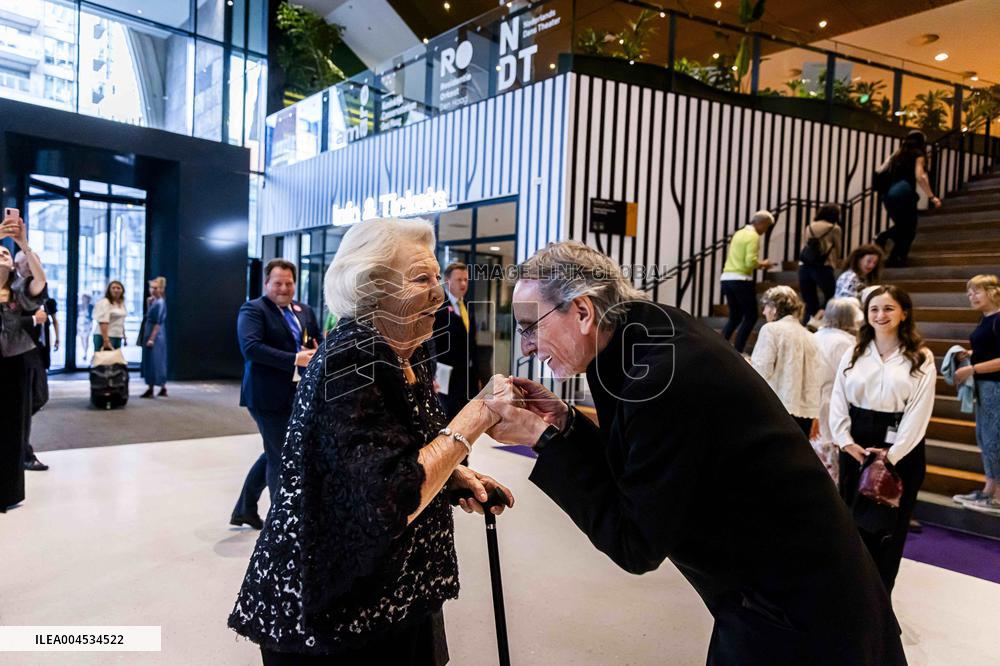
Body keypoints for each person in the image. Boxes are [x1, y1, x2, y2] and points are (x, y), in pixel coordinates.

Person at [487, 240, 904, 665]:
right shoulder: (640, 336)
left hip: (802, 613)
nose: (526, 347)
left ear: (582, 311)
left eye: (530, 326)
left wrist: (542, 438)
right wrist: (565, 424)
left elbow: (635, 542)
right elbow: (633, 467)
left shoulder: (660, 376)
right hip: (779, 594)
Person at [228, 218, 514, 664]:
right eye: (421, 279)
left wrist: (451, 477)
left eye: (437, 278)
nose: (438, 294)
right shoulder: (351, 358)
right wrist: (477, 416)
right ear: (372, 288)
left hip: (397, 594)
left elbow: (391, 455)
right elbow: (390, 500)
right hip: (336, 606)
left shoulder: (411, 351)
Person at [830, 285, 935, 593]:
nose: (880, 315)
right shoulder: (854, 351)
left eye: (889, 308)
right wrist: (844, 440)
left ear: (904, 313)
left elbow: (919, 410)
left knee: (890, 529)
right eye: (874, 309)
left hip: (901, 446)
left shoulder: (920, 357)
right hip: (856, 445)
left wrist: (893, 454)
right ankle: (851, 595)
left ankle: (880, 599)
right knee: (851, 523)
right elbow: (838, 397)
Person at [231, 259, 320, 530]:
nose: (283, 288)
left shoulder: (304, 310)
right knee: (281, 455)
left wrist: (318, 350)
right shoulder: (253, 310)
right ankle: (280, 524)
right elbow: (251, 348)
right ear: (266, 283)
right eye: (278, 283)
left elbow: (315, 340)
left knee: (276, 450)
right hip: (265, 396)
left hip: (296, 394)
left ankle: (245, 509)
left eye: (288, 283)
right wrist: (295, 358)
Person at [0, 211, 48, 511]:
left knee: (13, 427)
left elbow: (39, 280)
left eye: (6, 253)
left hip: (15, 362)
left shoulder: (19, 289)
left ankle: (6, 491)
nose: (3, 255)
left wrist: (23, 244)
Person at [952, 275, 1000, 515]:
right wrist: (970, 354)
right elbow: (990, 348)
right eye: (969, 293)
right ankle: (989, 489)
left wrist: (973, 369)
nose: (971, 296)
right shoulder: (986, 318)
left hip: (996, 386)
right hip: (985, 385)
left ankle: (998, 496)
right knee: (985, 438)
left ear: (992, 292)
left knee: (995, 439)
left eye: (976, 291)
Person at [750, 286, 821, 435]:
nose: (764, 312)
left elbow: (761, 371)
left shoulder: (771, 330)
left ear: (775, 308)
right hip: (805, 413)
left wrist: (748, 364)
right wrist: (816, 414)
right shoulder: (810, 336)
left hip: (775, 409)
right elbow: (816, 378)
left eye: (766, 306)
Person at [874, 130, 942, 267]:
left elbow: (880, 171)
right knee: (909, 229)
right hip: (904, 194)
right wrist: (932, 196)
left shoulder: (896, 155)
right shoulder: (918, 155)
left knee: (903, 227)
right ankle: (892, 249)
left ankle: (892, 255)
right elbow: (920, 177)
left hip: (888, 195)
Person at [813, 298, 863, 481]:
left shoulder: (815, 336)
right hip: (834, 402)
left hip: (813, 402)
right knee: (832, 459)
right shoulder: (846, 343)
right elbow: (851, 379)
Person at [14, 251, 52, 472]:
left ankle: (16, 434)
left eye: (34, 261)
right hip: (21, 351)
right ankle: (25, 454)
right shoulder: (17, 287)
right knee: (27, 402)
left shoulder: (36, 287)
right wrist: (32, 319)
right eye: (26, 262)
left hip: (35, 351)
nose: (31, 265)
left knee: (39, 397)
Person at [433, 261, 485, 418]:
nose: (463, 284)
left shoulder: (467, 305)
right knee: (449, 415)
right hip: (445, 375)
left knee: (469, 416)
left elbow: (472, 342)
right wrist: (432, 373)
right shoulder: (438, 307)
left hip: (467, 375)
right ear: (447, 281)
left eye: (466, 279)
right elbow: (432, 342)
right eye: (459, 280)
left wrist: (477, 375)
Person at [720, 210, 776, 353]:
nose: (765, 231)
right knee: (751, 316)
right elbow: (750, 262)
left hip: (727, 278)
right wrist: (763, 264)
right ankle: (738, 349)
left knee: (735, 316)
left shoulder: (738, 233)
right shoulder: (753, 236)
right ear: (762, 223)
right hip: (741, 279)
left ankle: (721, 347)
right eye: (766, 227)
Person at [797, 203, 843, 323]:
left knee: (809, 302)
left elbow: (804, 245)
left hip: (804, 266)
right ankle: (822, 320)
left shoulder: (809, 227)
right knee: (832, 295)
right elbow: (838, 248)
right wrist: (835, 262)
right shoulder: (834, 228)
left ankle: (809, 325)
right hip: (823, 266)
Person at [140, 277, 168, 398]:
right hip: (150, 331)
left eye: (155, 288)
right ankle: (158, 387)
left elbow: (158, 322)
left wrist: (152, 338)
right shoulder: (154, 301)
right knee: (152, 360)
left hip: (155, 334)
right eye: (151, 287)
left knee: (155, 360)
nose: (152, 290)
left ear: (161, 289)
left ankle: (155, 387)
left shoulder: (160, 302)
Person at [92, 281, 128, 351]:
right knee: (104, 357)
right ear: (109, 290)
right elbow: (103, 322)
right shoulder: (105, 302)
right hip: (104, 336)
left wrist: (124, 336)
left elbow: (120, 322)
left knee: (115, 357)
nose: (116, 290)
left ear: (122, 290)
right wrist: (106, 340)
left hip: (117, 336)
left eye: (118, 288)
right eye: (113, 288)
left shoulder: (121, 303)